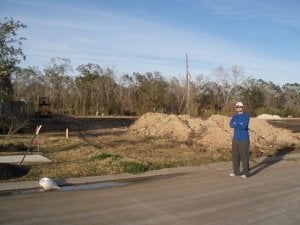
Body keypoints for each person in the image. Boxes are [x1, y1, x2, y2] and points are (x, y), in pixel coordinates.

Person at [229, 101, 250, 179]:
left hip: (244, 139)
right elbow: (231, 124)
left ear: (243, 108)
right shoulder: (234, 116)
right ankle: (236, 172)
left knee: (244, 156)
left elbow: (244, 126)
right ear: (236, 108)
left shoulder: (246, 116)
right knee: (235, 156)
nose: (238, 108)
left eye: (240, 107)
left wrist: (236, 124)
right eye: (237, 107)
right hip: (235, 139)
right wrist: (238, 123)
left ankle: (246, 172)